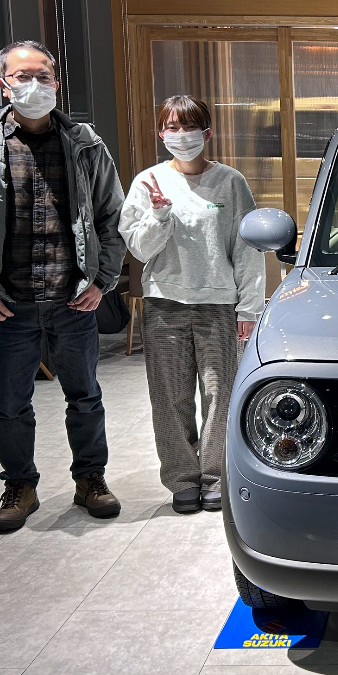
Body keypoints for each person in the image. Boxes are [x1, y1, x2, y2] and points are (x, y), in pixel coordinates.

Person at [0, 40, 127, 533]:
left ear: (56, 83)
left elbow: (112, 218)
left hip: (73, 298)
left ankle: (90, 479)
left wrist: (102, 280)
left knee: (85, 397)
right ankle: (19, 485)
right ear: (4, 85)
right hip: (8, 301)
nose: (34, 85)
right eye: (23, 76)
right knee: (10, 404)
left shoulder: (86, 144)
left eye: (43, 76)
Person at [119, 95, 265, 513]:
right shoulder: (148, 182)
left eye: (189, 127)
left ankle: (215, 474)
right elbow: (140, 249)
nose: (181, 135)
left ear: (207, 133)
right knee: (170, 396)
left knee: (220, 394)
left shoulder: (230, 182)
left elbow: (247, 248)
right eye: (172, 127)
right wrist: (159, 215)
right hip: (164, 304)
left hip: (218, 304)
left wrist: (249, 309)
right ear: (160, 133)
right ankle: (182, 477)